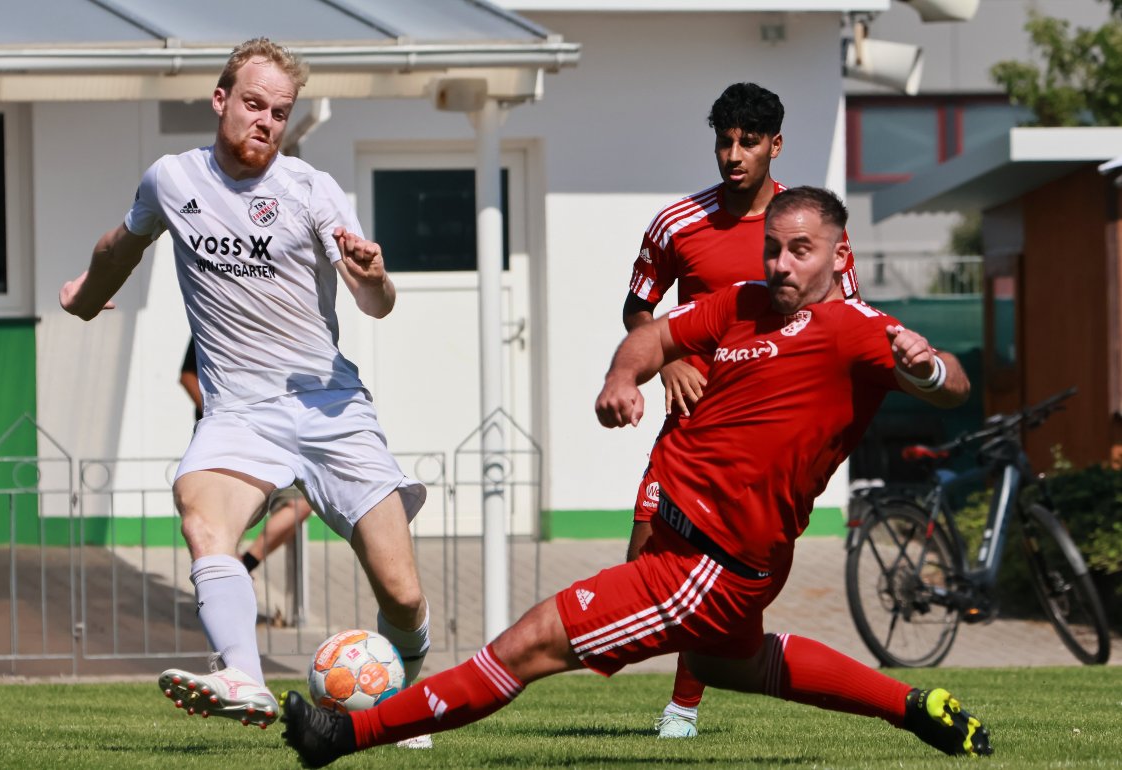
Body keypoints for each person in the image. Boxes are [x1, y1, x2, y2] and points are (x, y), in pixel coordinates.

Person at [278, 186, 992, 766]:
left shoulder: (857, 330)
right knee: (733, 667)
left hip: (706, 564)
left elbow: (954, 384)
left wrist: (926, 367)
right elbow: (653, 334)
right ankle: (915, 709)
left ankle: (342, 738)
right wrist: (624, 378)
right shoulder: (741, 303)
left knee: (527, 644)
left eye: (799, 251)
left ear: (840, 256)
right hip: (706, 552)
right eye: (773, 247)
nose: (780, 264)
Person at [59, 38, 433, 742]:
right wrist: (83, 298)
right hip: (240, 414)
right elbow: (121, 246)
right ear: (221, 100)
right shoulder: (172, 181)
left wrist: (375, 275)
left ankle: (408, 698)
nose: (266, 121)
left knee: (403, 592)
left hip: (331, 408)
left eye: (280, 112)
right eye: (254, 104)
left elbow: (373, 301)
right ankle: (243, 676)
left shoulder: (311, 189)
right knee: (201, 512)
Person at [625, 82, 861, 738]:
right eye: (724, 141)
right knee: (643, 563)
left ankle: (683, 707)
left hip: (769, 433)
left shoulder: (807, 225)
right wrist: (668, 361)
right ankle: (710, 666)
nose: (733, 154)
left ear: (774, 146)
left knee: (726, 571)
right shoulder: (678, 224)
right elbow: (638, 307)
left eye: (748, 142)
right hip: (693, 425)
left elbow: (844, 321)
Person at [181, 335, 313, 578]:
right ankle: (223, 580)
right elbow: (188, 376)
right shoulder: (213, 322)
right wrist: (219, 414)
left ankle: (245, 564)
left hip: (273, 437)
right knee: (219, 524)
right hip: (225, 440)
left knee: (299, 505)